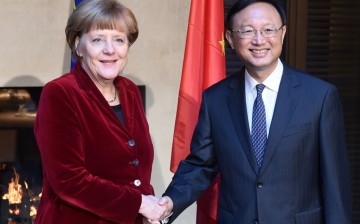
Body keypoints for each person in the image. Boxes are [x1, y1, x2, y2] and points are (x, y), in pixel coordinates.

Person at [157, 0, 352, 223]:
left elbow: (335, 185)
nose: (259, 40)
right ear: (230, 38)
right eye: (247, 31)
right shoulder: (216, 99)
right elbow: (200, 165)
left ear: (283, 33)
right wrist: (168, 203)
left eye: (269, 30)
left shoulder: (320, 96)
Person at [34, 0, 166, 223]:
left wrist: (148, 209)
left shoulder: (129, 91)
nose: (110, 50)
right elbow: (69, 180)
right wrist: (141, 203)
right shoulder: (60, 93)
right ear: (78, 46)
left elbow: (137, 171)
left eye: (119, 40)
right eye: (97, 40)